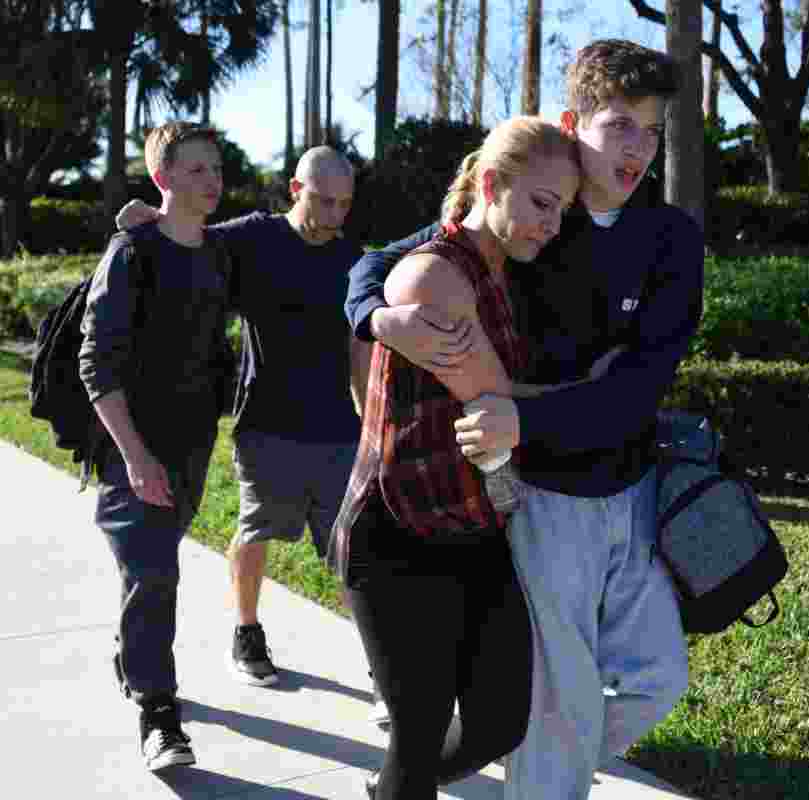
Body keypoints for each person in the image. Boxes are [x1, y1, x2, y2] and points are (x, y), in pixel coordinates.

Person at [345, 39, 703, 800]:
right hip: (539, 502)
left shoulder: (671, 239)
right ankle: (522, 770)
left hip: (633, 493)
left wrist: (521, 416)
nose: (639, 147)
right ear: (573, 122)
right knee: (556, 706)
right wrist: (378, 318)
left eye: (653, 129)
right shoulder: (539, 209)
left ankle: (473, 767)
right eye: (620, 124)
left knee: (658, 679)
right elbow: (385, 261)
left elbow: (638, 386)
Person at [331, 116, 581, 800]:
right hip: (397, 537)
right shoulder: (436, 278)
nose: (551, 224)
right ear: (492, 184)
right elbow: (496, 399)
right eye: (540, 203)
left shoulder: (503, 269)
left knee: (500, 723)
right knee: (418, 736)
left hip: (472, 529)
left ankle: (388, 789)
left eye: (561, 208)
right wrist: (602, 405)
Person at [115, 147, 365, 693]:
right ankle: (246, 631)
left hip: (337, 428)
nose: (335, 213)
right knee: (256, 529)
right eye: (325, 201)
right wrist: (152, 217)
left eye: (345, 203)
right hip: (267, 420)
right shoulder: (255, 236)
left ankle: (381, 662)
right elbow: (189, 234)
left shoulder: (352, 255)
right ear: (297, 191)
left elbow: (357, 347)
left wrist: (369, 418)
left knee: (354, 546)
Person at [80, 122, 234, 771]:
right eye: (197, 170)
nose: (214, 181)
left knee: (154, 564)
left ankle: (132, 654)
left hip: (193, 444)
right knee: (154, 571)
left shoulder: (219, 252)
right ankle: (158, 711)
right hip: (132, 447)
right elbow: (97, 364)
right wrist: (136, 458)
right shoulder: (132, 250)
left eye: (217, 169)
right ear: (165, 177)